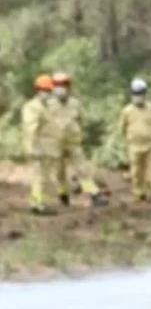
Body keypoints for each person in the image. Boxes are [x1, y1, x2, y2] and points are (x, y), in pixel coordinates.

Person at [49, 72, 105, 205]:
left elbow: (81, 121)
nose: (60, 88)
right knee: (59, 172)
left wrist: (81, 136)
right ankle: (63, 194)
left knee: (82, 169)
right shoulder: (49, 104)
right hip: (55, 144)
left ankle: (94, 194)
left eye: (63, 85)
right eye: (57, 85)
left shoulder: (75, 104)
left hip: (73, 143)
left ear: (69, 86)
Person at [119, 77, 151, 202]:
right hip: (134, 146)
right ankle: (139, 194)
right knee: (136, 171)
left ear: (145, 94)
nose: (138, 96)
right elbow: (122, 128)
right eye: (136, 94)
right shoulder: (127, 111)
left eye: (140, 93)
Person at [22, 74, 60, 214]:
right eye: (45, 90)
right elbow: (30, 129)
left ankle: (43, 203)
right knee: (39, 178)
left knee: (47, 179)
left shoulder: (49, 107)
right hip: (38, 149)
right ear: (38, 90)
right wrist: (32, 148)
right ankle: (37, 205)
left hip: (49, 150)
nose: (48, 94)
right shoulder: (32, 107)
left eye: (50, 91)